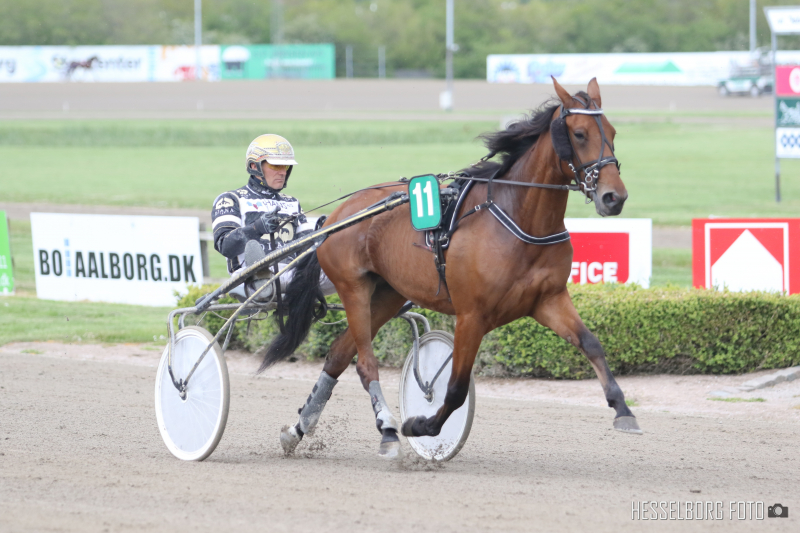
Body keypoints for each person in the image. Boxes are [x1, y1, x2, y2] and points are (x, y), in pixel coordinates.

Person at [211, 134, 335, 300]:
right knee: (263, 276)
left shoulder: (293, 203)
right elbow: (225, 246)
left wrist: (322, 233)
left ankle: (268, 284)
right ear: (254, 166)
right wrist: (256, 228)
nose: (283, 172)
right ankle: (261, 277)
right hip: (245, 274)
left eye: (286, 167)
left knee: (342, 271)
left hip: (293, 275)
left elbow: (306, 250)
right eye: (276, 166)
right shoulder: (230, 199)